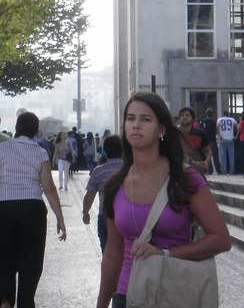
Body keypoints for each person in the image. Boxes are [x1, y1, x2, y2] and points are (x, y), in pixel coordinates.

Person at [95, 92, 231, 308]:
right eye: (130, 119)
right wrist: (101, 305)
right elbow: (113, 254)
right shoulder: (115, 186)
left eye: (145, 119)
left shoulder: (185, 179)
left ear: (161, 130)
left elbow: (221, 239)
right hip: (127, 295)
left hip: (172, 294)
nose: (136, 125)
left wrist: (165, 253)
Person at [0, 111, 66, 308]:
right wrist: (60, 218)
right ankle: (26, 302)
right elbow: (49, 188)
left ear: (17, 127)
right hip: (32, 209)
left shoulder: (1, 150)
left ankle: (6, 300)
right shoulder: (39, 152)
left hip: (4, 208)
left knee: (5, 257)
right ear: (36, 131)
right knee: (31, 262)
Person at [82, 134, 123, 251]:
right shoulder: (130, 169)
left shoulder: (98, 171)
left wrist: (85, 212)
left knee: (107, 253)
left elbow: (89, 197)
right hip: (126, 217)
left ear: (105, 151)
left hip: (105, 216)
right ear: (122, 151)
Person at [178, 106, 211, 173]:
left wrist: (206, 162)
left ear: (192, 119)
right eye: (182, 115)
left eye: (187, 115)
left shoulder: (200, 133)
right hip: (180, 169)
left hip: (197, 169)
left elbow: (208, 150)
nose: (184, 117)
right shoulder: (176, 134)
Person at [198, 109, 222, 175]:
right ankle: (218, 170)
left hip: (206, 142)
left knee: (207, 157)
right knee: (215, 156)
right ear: (212, 114)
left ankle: (210, 170)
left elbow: (200, 130)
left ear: (206, 114)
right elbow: (217, 130)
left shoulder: (203, 121)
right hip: (213, 141)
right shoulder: (214, 121)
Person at [217, 110, 237, 175]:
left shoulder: (220, 120)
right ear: (228, 115)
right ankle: (232, 171)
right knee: (231, 156)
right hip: (231, 138)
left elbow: (217, 126)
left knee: (223, 156)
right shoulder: (232, 119)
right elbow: (238, 126)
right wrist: (237, 135)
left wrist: (219, 135)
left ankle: (224, 171)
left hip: (223, 139)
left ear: (223, 114)